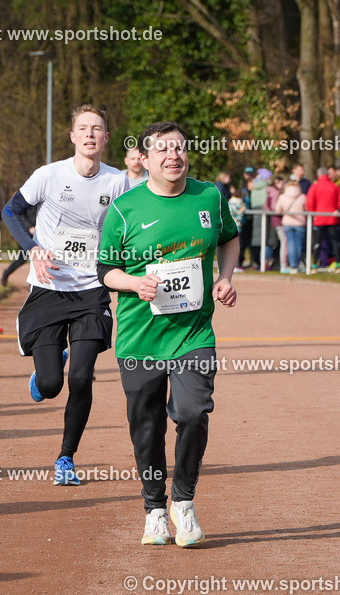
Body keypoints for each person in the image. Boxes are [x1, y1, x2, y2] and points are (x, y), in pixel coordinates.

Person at [96, 121, 239, 546]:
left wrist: (226, 277)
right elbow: (105, 270)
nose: (172, 156)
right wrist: (133, 283)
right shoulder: (125, 209)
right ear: (144, 159)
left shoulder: (209, 196)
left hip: (193, 334)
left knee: (194, 412)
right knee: (147, 426)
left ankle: (184, 500)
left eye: (179, 148)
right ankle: (155, 509)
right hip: (140, 339)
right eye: (162, 150)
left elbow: (230, 238)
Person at [1, 104, 129, 486]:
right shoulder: (49, 175)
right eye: (83, 128)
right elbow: (12, 211)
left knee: (82, 377)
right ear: (73, 136)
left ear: (106, 138)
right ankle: (47, 368)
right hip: (50, 289)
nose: (90, 134)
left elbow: (129, 228)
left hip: (92, 291)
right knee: (52, 385)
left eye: (98, 129)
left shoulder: (117, 182)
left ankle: (65, 458)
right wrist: (32, 247)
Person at [306, 166, 340, 271]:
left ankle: (314, 264)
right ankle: (337, 264)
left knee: (317, 242)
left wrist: (313, 213)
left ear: (318, 175)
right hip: (332, 218)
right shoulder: (334, 186)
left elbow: (309, 202)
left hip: (319, 219)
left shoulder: (315, 187)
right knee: (334, 241)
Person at [274, 179, 307, 273]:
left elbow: (277, 210)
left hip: (287, 223)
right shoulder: (302, 196)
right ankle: (298, 263)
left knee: (291, 244)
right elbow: (307, 208)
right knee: (299, 244)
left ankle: (293, 265)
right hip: (300, 223)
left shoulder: (282, 196)